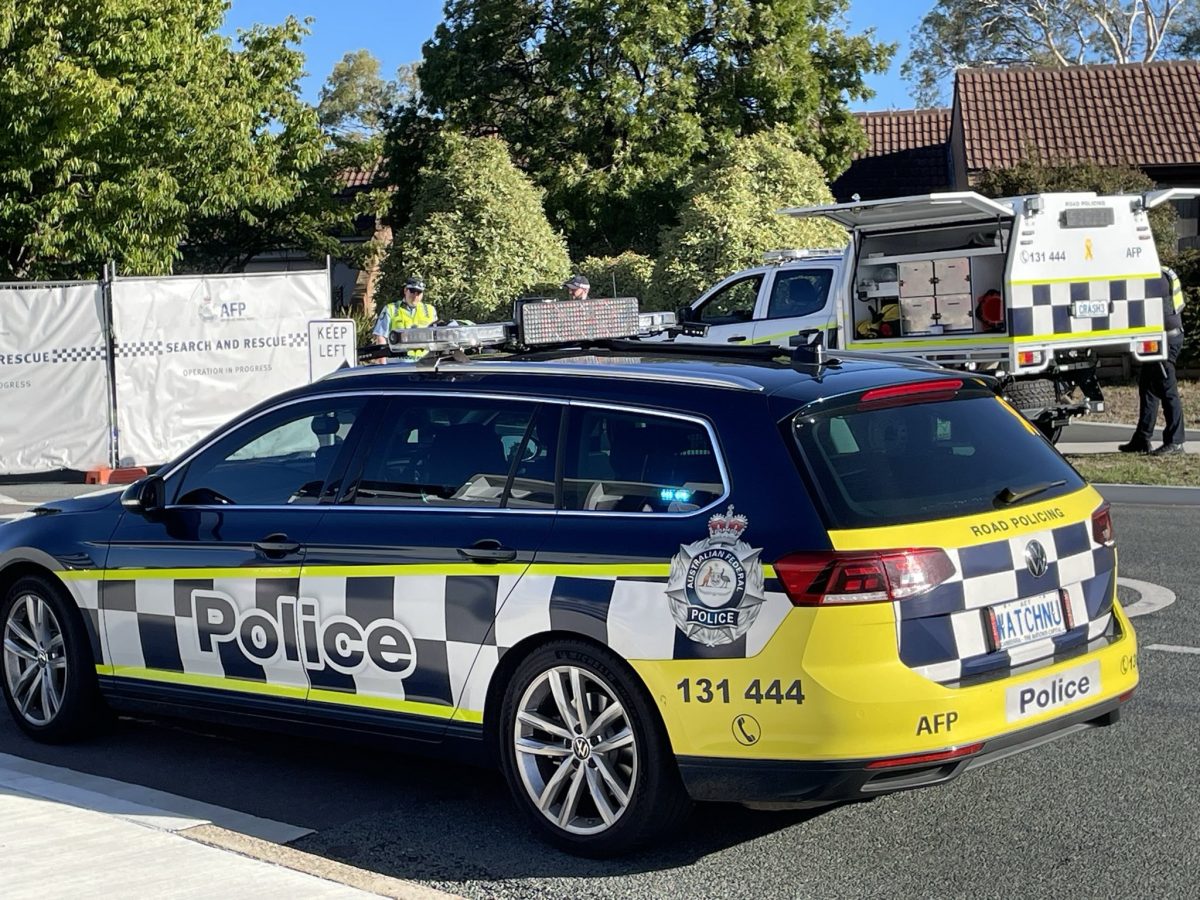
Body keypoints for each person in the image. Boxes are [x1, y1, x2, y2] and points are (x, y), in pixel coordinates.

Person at [1119, 266, 1187, 455]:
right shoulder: (1164, 272)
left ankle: (1176, 441)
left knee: (1167, 389)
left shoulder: (1156, 278)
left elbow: (1149, 310)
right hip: (1161, 338)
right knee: (1148, 388)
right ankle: (1142, 439)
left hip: (1164, 339)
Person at [372, 278, 436, 361]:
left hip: (424, 363)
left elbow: (437, 338)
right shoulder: (391, 309)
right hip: (399, 364)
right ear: (405, 290)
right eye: (412, 291)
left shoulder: (430, 310)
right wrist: (382, 364)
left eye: (419, 292)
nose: (415, 296)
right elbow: (381, 338)